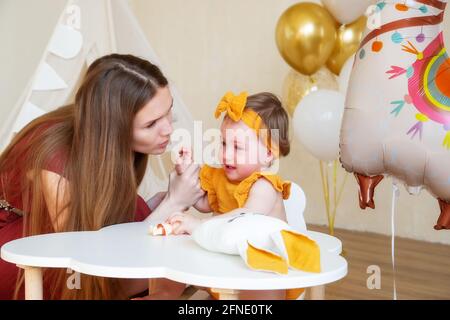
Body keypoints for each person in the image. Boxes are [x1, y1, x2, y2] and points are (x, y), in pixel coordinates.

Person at [0, 54, 204, 300]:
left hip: (76, 227)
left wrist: (165, 202)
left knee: (168, 236)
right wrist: (175, 202)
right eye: (151, 125)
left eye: (168, 111)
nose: (168, 129)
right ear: (113, 129)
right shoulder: (54, 160)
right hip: (19, 243)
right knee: (126, 271)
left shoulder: (105, 141)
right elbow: (83, 266)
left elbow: (106, 214)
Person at [144, 91, 305, 300]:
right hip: (227, 266)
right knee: (180, 243)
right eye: (223, 143)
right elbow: (203, 202)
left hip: (259, 272)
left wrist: (197, 225)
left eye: (237, 147)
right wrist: (187, 171)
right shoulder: (222, 177)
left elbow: (245, 217)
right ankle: (163, 294)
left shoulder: (264, 185)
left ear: (267, 153)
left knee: (262, 284)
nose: (226, 154)